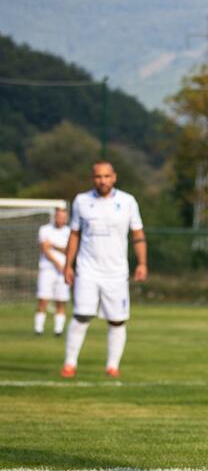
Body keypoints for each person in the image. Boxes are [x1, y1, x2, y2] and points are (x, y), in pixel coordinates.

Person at [62, 161, 147, 379]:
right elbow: (74, 235)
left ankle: (112, 366)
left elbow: (137, 235)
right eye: (98, 177)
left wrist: (142, 263)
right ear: (93, 179)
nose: (103, 180)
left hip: (116, 273)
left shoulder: (127, 201)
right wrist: (67, 265)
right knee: (81, 316)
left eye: (107, 176)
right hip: (87, 270)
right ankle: (70, 364)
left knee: (117, 320)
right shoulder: (81, 201)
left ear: (114, 177)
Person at [35, 207, 71, 336]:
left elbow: (69, 251)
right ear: (55, 217)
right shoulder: (45, 229)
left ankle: (58, 330)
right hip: (47, 269)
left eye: (63, 217)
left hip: (63, 272)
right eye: (59, 216)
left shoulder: (70, 232)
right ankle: (38, 329)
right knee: (43, 299)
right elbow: (45, 248)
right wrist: (57, 263)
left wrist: (54, 246)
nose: (61, 219)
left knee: (61, 301)